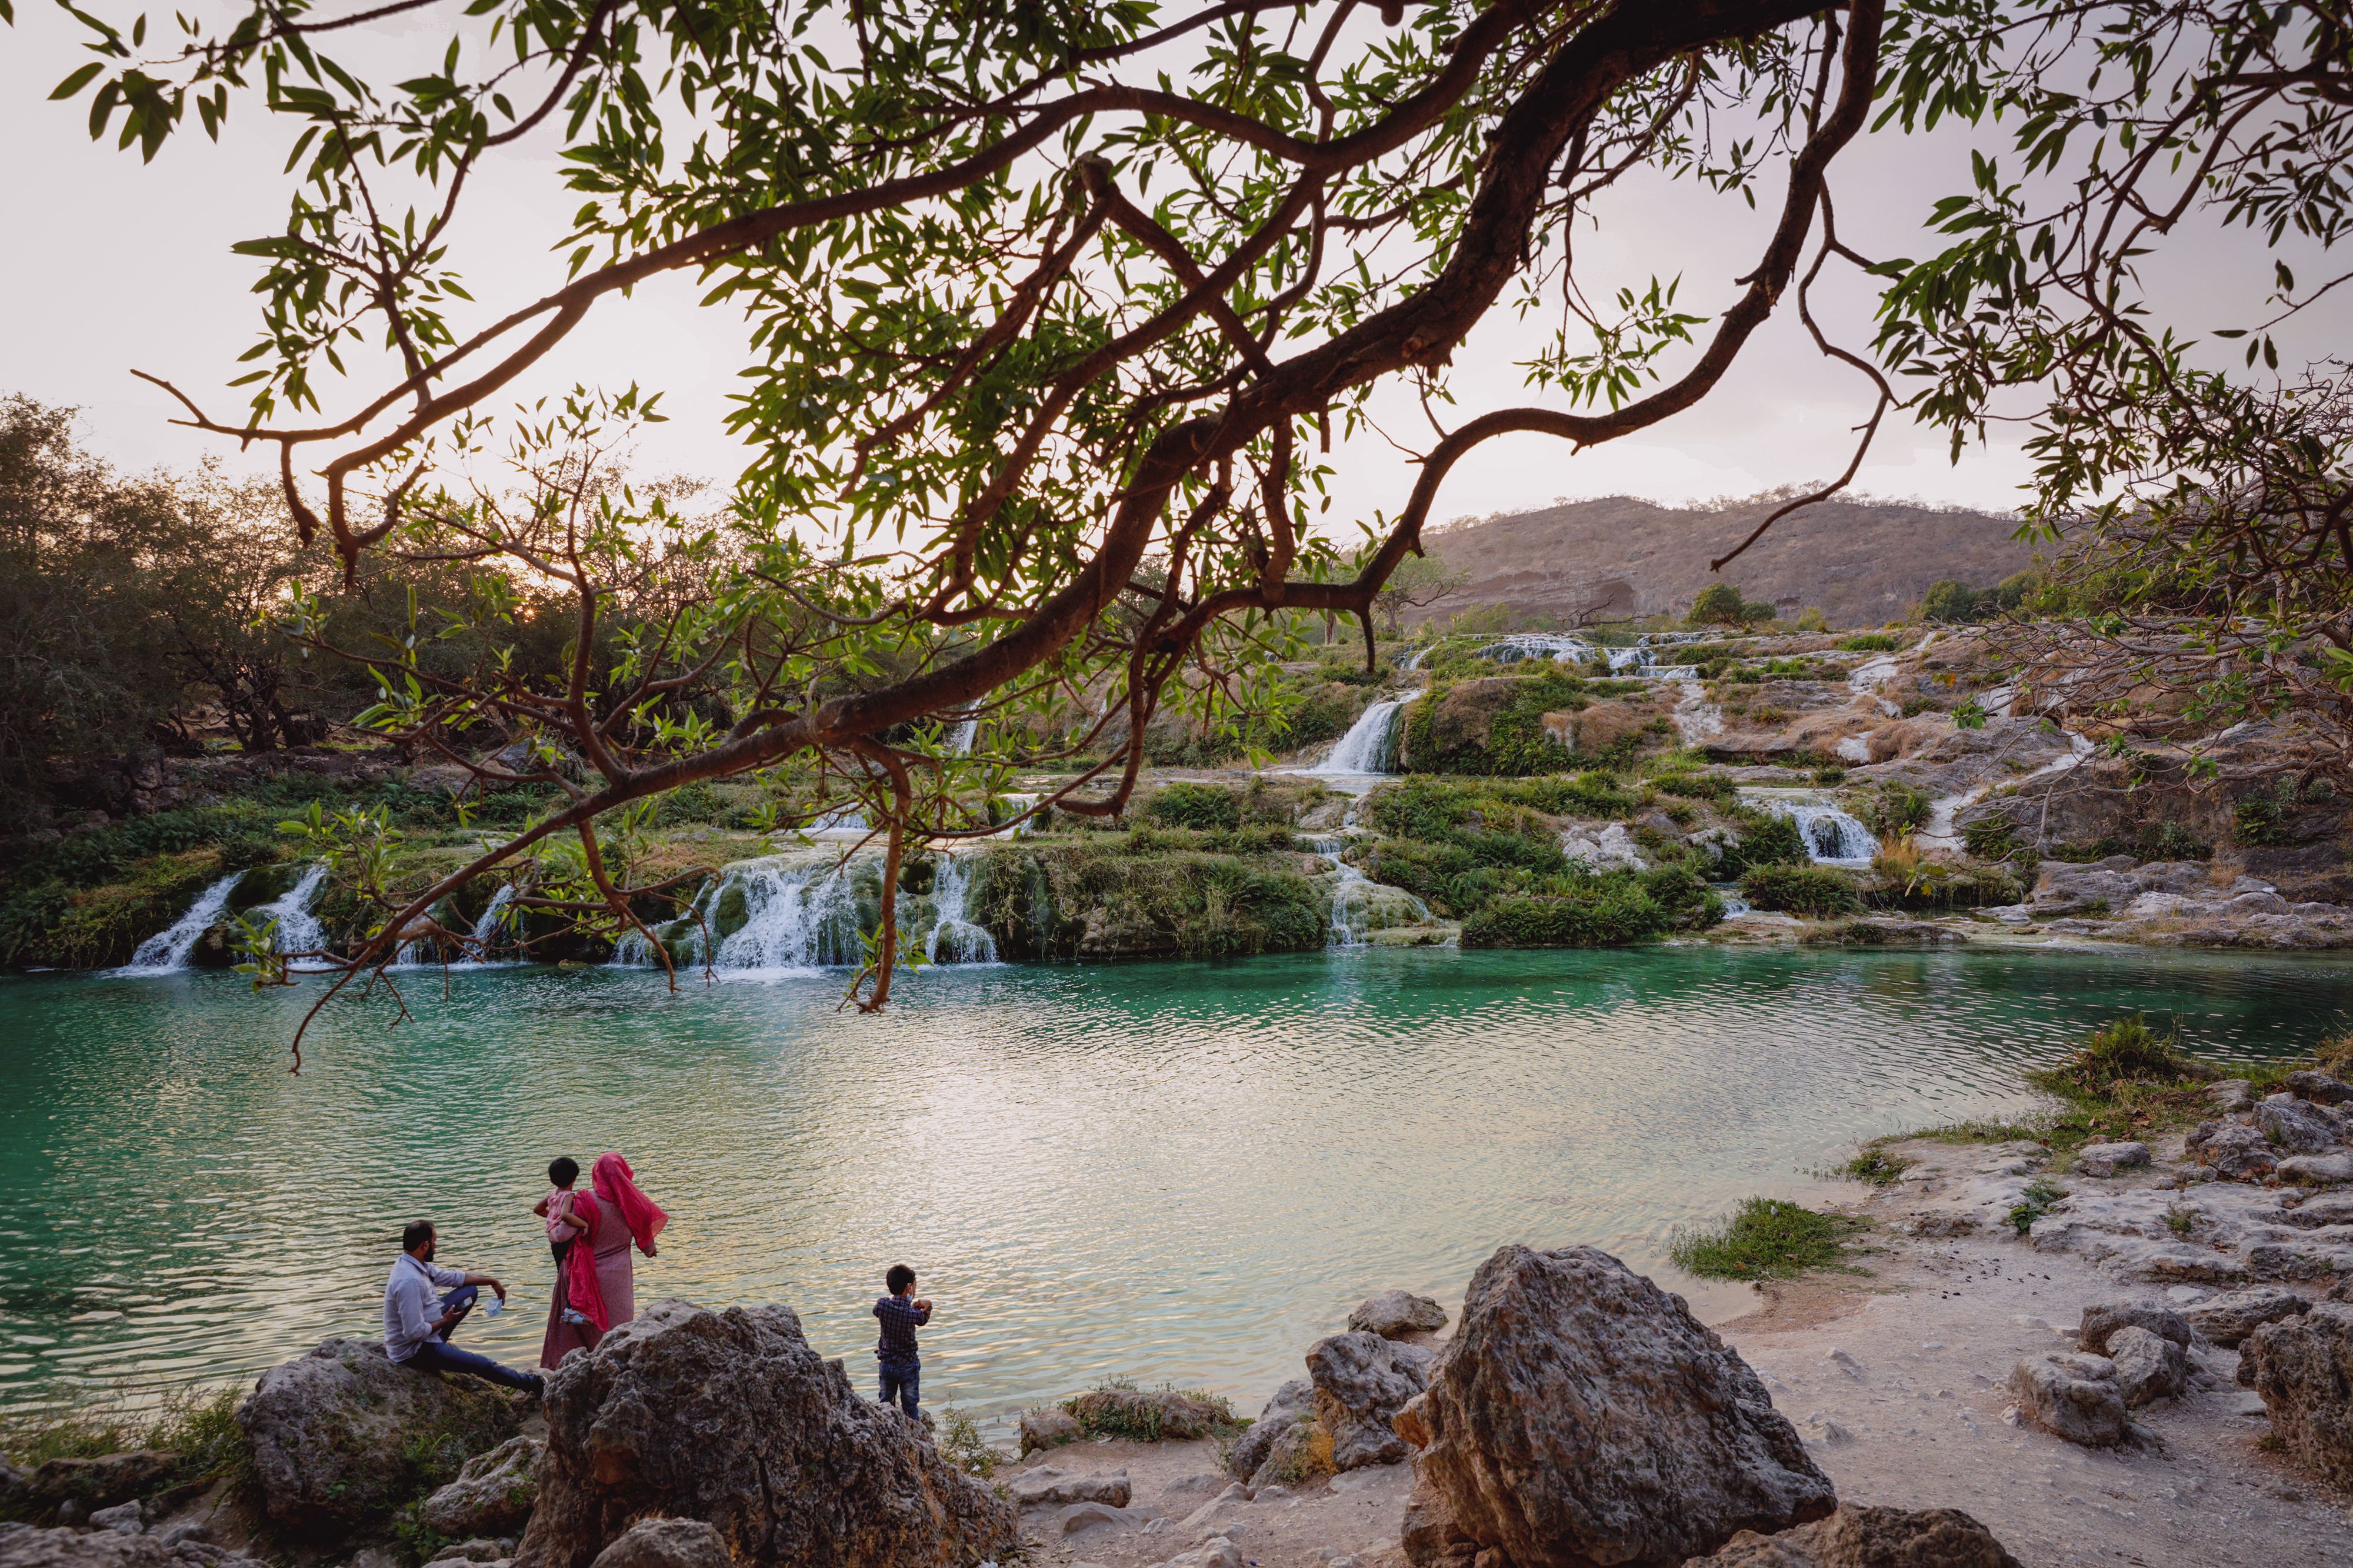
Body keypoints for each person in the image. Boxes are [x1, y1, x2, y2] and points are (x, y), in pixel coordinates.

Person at [382, 1220, 542, 1395]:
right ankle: (534, 1384)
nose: (436, 1246)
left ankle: (443, 1347)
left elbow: (453, 1278)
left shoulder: (415, 1264)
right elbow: (414, 1333)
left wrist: (492, 1282)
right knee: (482, 1364)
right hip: (416, 1350)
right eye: (435, 1242)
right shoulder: (409, 1281)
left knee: (470, 1292)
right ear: (425, 1245)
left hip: (431, 1327)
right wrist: (445, 1322)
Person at [564, 1152, 666, 1340]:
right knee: (620, 1326)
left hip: (587, 1273)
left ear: (597, 1174)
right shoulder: (635, 1205)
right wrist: (652, 1250)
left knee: (589, 1332)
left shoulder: (585, 1201)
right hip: (619, 1278)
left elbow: (562, 1235)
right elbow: (649, 1249)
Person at [534, 1157, 598, 1369]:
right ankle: (572, 1310)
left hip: (552, 1240)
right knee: (571, 1272)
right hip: (562, 1241)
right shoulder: (569, 1195)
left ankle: (570, 1308)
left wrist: (550, 1219)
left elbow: (537, 1209)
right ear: (574, 1179)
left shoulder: (553, 1194)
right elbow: (566, 1215)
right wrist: (584, 1224)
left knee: (562, 1272)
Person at [871, 1263, 931, 1418]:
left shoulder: (882, 1305)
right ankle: (913, 1431)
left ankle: (887, 1428)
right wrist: (928, 1306)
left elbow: (876, 1311)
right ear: (909, 1288)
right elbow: (923, 1319)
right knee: (910, 1406)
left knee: (885, 1403)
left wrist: (908, 1304)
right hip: (907, 1366)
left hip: (886, 1364)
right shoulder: (912, 1314)